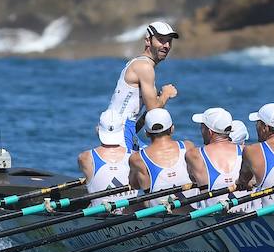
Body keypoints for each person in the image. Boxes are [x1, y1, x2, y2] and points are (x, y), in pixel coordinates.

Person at [104, 21, 180, 151]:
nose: (166, 45)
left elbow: (136, 119)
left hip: (119, 129)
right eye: (161, 40)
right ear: (148, 41)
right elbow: (153, 112)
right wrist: (166, 94)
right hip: (120, 131)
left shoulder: (139, 63)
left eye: (169, 41)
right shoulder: (144, 67)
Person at [128, 109, 193, 193]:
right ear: (172, 128)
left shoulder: (137, 158)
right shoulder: (188, 146)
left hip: (158, 204)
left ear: (146, 133)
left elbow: (135, 185)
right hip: (191, 205)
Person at [186, 107, 242, 195]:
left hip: (211, 208)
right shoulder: (246, 151)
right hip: (245, 208)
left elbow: (193, 179)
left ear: (209, 132)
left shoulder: (193, 155)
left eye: (202, 127)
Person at [77, 109, 134, 195]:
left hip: (98, 207)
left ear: (98, 129)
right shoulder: (137, 157)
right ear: (123, 130)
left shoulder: (85, 158)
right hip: (132, 208)